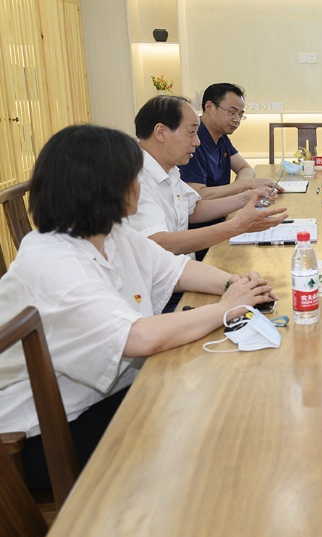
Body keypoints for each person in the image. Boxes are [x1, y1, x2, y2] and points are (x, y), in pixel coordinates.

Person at [0, 125, 278, 489]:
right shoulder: (52, 262)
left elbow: (177, 270)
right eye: (132, 178)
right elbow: (138, 338)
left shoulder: (110, 234)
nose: (139, 186)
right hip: (46, 434)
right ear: (102, 187)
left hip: (104, 396)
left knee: (220, 397)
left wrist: (235, 285)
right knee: (210, 432)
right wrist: (227, 307)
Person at [125, 95, 287, 259]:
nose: (197, 142)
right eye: (191, 132)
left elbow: (193, 209)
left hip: (183, 268)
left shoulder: (170, 170)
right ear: (161, 132)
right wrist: (236, 226)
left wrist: (246, 198)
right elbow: (160, 243)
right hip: (169, 273)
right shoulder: (133, 179)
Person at [179, 82, 277, 201]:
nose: (237, 120)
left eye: (240, 115)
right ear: (209, 107)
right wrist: (243, 185)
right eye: (231, 112)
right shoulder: (193, 141)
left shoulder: (221, 137)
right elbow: (197, 195)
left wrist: (243, 184)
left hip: (224, 208)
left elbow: (245, 168)